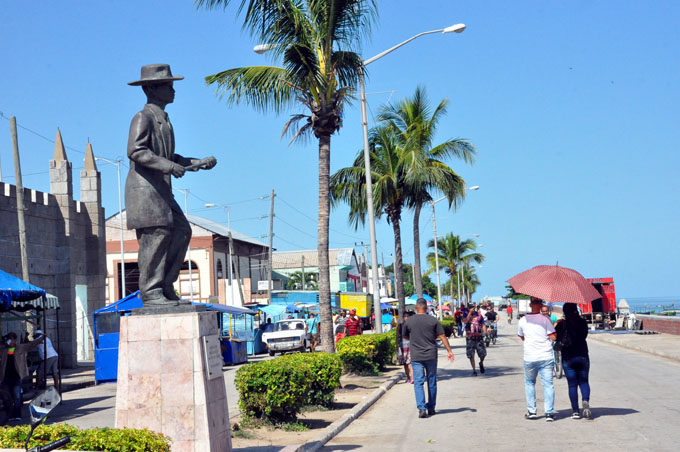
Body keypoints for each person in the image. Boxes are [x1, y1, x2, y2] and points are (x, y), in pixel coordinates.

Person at [125, 64, 217, 307]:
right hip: (146, 192)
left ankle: (165, 285)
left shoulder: (164, 120)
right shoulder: (143, 117)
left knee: (182, 230)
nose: (173, 90)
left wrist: (196, 163)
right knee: (157, 236)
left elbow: (170, 157)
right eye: (168, 85)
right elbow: (135, 151)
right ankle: (151, 291)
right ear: (153, 89)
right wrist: (168, 166)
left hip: (162, 192)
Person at [403, 299, 454, 418]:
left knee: (418, 382)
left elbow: (405, 335)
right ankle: (431, 407)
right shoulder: (433, 320)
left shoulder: (409, 321)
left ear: (416, 307)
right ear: (426, 308)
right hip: (431, 355)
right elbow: (442, 336)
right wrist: (449, 351)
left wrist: (415, 340)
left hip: (416, 356)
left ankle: (421, 408)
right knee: (431, 381)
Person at [517, 297, 557, 421]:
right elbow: (553, 337)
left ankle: (532, 411)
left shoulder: (523, 320)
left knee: (529, 384)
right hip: (546, 356)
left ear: (530, 305)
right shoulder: (546, 319)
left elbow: (521, 336)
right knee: (548, 385)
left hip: (530, 357)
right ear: (540, 305)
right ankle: (549, 413)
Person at [555, 303, 592, 419]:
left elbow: (555, 338)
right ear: (576, 310)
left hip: (568, 358)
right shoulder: (582, 322)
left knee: (572, 385)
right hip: (582, 356)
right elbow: (585, 336)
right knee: (584, 382)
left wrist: (558, 324)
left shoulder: (561, 325)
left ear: (564, 312)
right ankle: (585, 400)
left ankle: (575, 411)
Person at [1, 331, 44, 421]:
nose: (10, 341)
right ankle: (9, 414)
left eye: (12, 339)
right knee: (6, 397)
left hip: (16, 377)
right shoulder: (4, 349)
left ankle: (17, 414)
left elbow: (31, 345)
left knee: (17, 397)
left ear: (15, 340)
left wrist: (41, 338)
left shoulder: (21, 348)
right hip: (5, 377)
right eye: (9, 339)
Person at [464, 305, 487, 376]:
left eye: (473, 307)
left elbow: (483, 324)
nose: (472, 309)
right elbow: (465, 321)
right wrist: (469, 313)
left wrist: (485, 332)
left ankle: (481, 362)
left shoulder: (479, 315)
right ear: (468, 308)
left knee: (483, 354)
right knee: (471, 354)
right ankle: (474, 370)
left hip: (479, 337)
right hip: (470, 337)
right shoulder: (465, 314)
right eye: (470, 307)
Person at [397, 311, 414, 383]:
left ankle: (412, 378)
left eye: (407, 316)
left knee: (410, 362)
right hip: (402, 346)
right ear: (403, 318)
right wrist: (396, 345)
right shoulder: (400, 326)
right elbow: (397, 336)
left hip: (410, 345)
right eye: (405, 316)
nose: (406, 318)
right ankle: (408, 377)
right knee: (405, 363)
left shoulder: (412, 325)